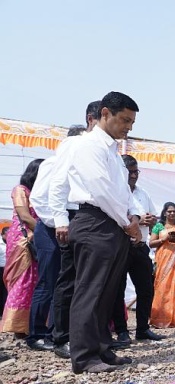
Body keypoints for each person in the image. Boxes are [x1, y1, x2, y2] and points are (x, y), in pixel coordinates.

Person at [63, 92, 142, 374]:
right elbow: (100, 189)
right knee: (90, 291)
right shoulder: (88, 146)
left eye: (132, 122)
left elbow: (122, 192)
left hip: (113, 224)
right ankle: (83, 357)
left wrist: (133, 216)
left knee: (107, 293)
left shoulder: (112, 151)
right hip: (95, 221)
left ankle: (102, 350)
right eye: (124, 120)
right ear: (105, 113)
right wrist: (127, 221)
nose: (129, 127)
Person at [27, 125, 87, 354]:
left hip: (67, 228)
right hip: (52, 229)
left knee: (65, 283)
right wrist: (59, 224)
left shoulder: (77, 169)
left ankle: (56, 332)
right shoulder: (52, 164)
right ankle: (36, 334)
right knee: (48, 282)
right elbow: (39, 199)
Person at [48, 101, 101, 360]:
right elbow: (57, 184)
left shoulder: (102, 148)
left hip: (87, 217)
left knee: (86, 281)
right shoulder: (75, 144)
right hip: (71, 216)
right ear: (94, 119)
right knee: (69, 279)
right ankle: (62, 338)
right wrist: (60, 219)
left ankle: (85, 338)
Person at [109, 155, 163, 349]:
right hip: (121, 246)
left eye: (136, 171)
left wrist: (150, 221)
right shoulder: (114, 192)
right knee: (118, 289)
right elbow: (116, 218)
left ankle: (142, 328)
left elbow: (154, 217)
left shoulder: (143, 193)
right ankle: (122, 331)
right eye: (130, 171)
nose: (134, 175)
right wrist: (139, 221)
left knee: (146, 289)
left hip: (140, 247)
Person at [1, 159, 42, 344]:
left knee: (36, 281)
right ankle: (17, 326)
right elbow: (24, 216)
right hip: (22, 241)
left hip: (37, 238)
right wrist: (45, 231)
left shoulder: (39, 193)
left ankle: (31, 324)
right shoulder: (21, 190)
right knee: (23, 280)